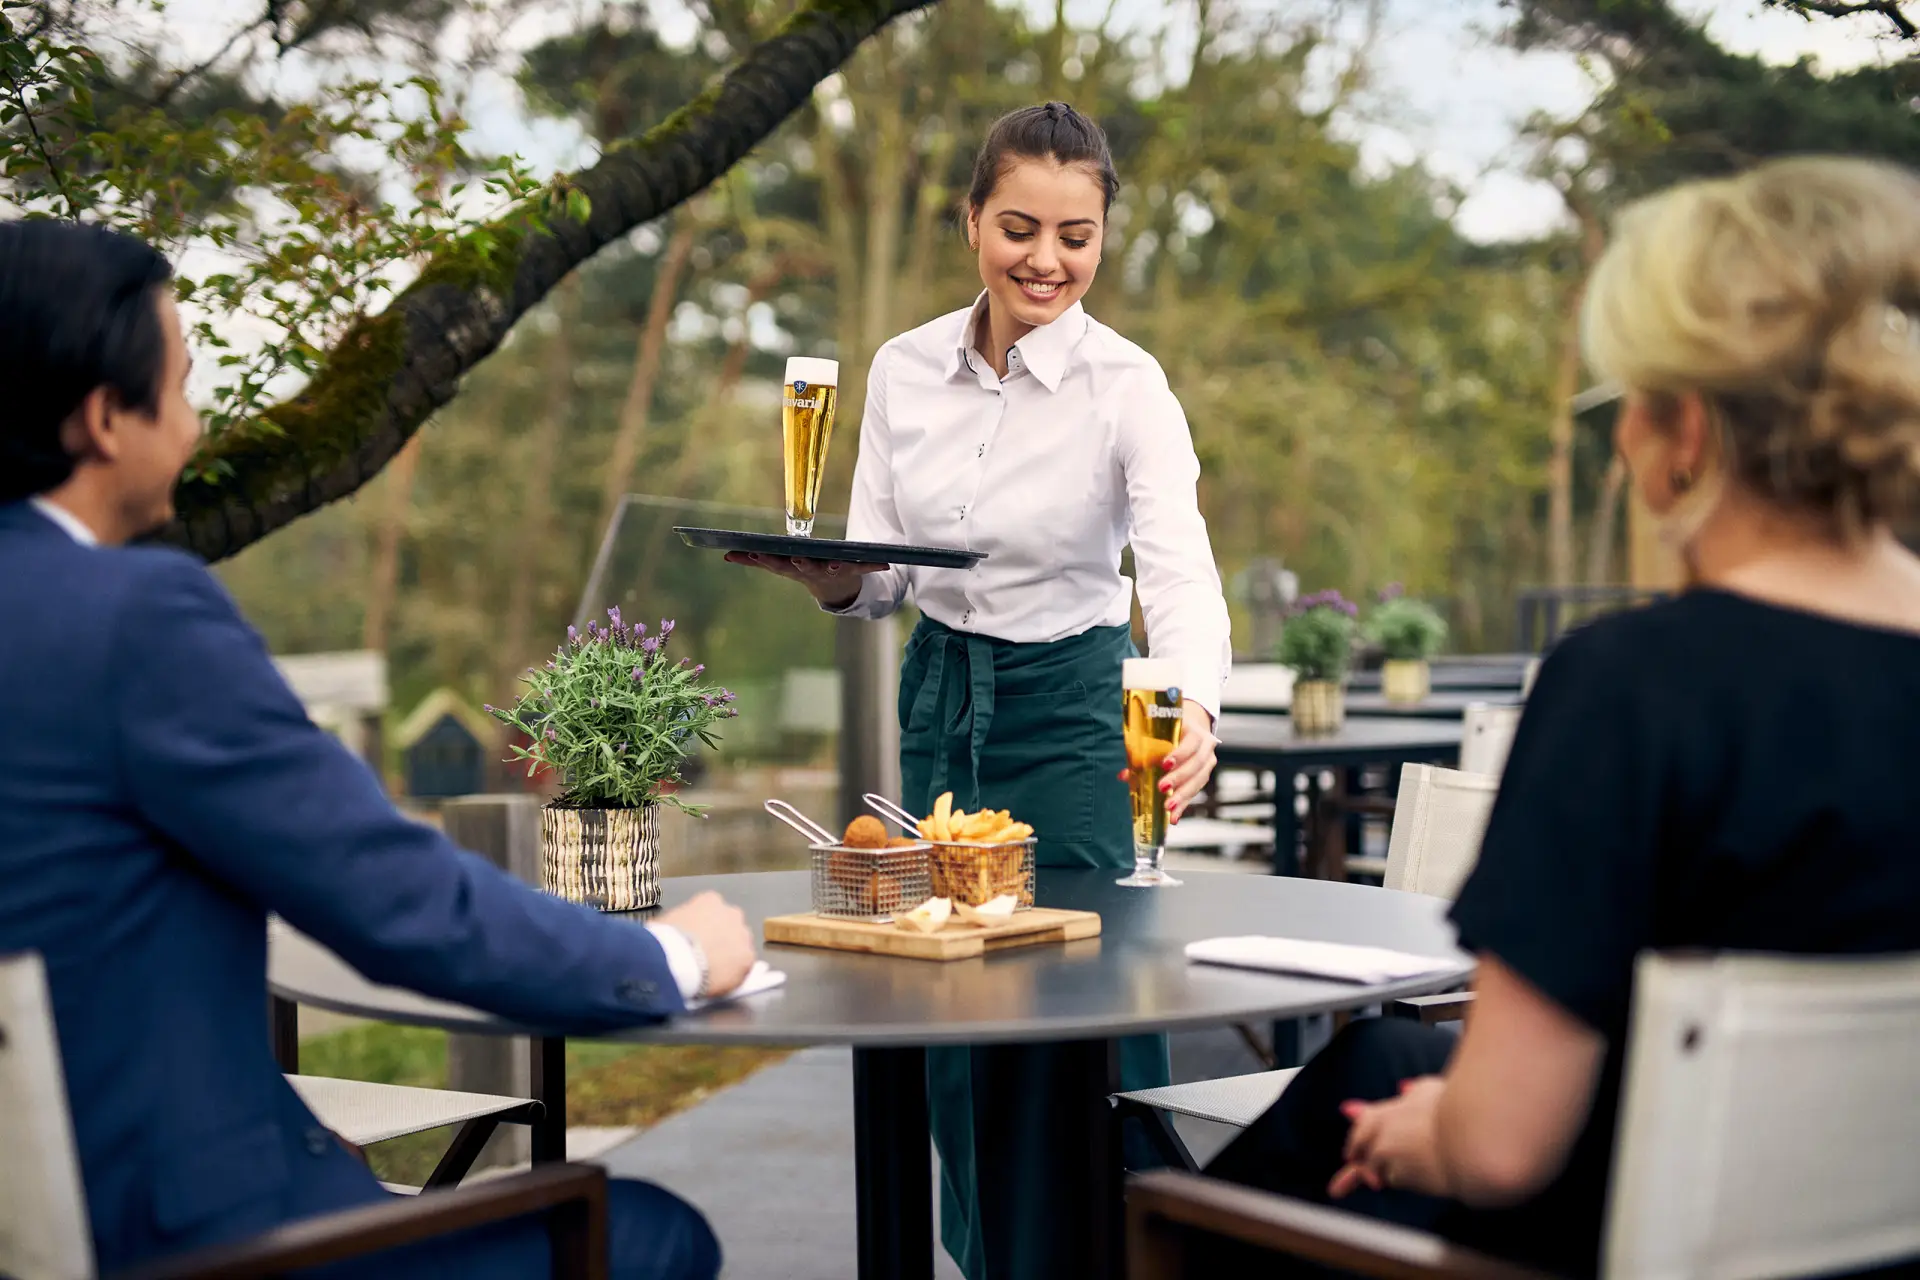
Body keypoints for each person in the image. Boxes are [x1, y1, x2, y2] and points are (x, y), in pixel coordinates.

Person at [0, 218, 757, 1280]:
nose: (199, 414)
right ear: (103, 418)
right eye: (179, 381)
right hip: (186, 1239)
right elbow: (397, 897)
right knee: (657, 1232)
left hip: (40, 1215)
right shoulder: (132, 616)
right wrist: (667, 956)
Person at [1205, 155, 1920, 1276]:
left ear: (1684, 429)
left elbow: (1498, 1149)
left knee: (1290, 1150)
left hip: (1616, 1242)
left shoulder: (1634, 688)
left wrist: (1422, 1131)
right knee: (1377, 1053)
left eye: (1628, 404)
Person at [731, 101, 1233, 1279]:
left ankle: (1118, 1252)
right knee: (946, 1018)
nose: (1045, 260)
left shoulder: (1129, 386)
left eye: (1075, 234)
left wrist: (1197, 704)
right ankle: (994, 1260)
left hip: (1072, 715)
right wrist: (830, 584)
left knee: (1082, 1009)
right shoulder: (905, 369)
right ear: (971, 221)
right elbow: (885, 577)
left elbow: (1178, 567)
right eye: (1019, 227)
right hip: (939, 703)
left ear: (1104, 237)